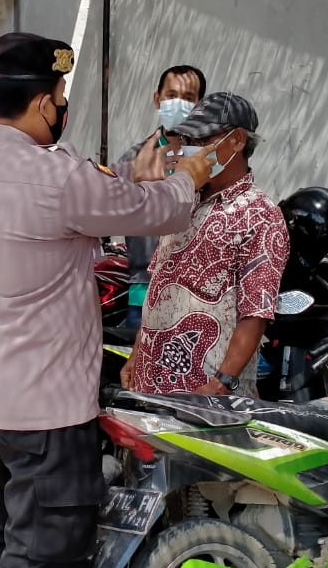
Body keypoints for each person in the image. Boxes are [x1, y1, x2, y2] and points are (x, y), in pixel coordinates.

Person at [0, 32, 214, 568]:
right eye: (62, 95)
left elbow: (90, 190)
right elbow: (156, 212)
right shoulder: (56, 179)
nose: (64, 106)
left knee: (3, 518)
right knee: (48, 537)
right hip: (49, 404)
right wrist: (189, 177)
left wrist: (129, 174)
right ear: (44, 103)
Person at [123, 92, 290, 397]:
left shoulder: (260, 214)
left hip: (206, 397)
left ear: (236, 140)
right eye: (188, 139)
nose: (191, 149)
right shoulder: (182, 201)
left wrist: (223, 381)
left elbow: (256, 312)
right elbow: (158, 288)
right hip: (151, 388)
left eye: (201, 140)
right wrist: (136, 354)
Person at [116, 65, 207, 328]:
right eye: (171, 96)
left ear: (200, 105)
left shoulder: (209, 161)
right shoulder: (134, 160)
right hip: (143, 293)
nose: (178, 104)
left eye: (188, 98)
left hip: (197, 296)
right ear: (157, 99)